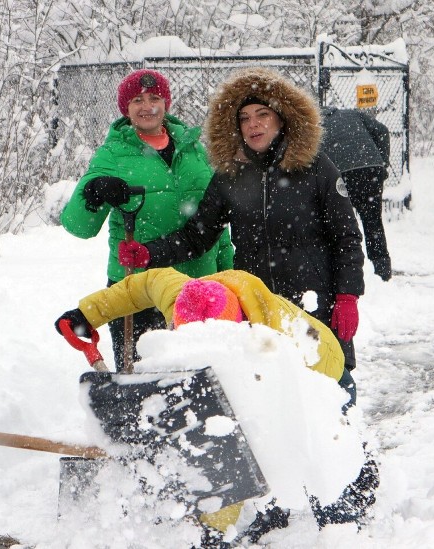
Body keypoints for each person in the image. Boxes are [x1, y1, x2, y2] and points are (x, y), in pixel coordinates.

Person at [54, 267, 378, 544]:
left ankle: (354, 497)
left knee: (325, 454)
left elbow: (235, 447)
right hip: (281, 358)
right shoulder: (182, 295)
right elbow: (142, 284)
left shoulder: (271, 344)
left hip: (322, 367)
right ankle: (276, 509)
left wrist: (213, 532)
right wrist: (88, 313)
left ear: (233, 330)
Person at [117, 66, 365, 372]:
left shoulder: (315, 167)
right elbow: (198, 236)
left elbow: (346, 236)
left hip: (314, 303)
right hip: (258, 306)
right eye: (244, 118)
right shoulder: (229, 176)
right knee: (268, 392)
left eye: (263, 115)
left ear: (281, 119)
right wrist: (149, 252)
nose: (254, 125)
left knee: (331, 387)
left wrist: (348, 295)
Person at [60, 68, 234, 371]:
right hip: (136, 288)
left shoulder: (194, 150)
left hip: (198, 284)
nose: (147, 106)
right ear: (126, 109)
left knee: (201, 379)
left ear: (166, 103)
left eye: (154, 97)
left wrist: (228, 273)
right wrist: (94, 192)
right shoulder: (113, 154)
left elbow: (216, 220)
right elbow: (78, 226)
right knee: (142, 381)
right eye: (137, 100)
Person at [320, 106, 393, 281]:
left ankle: (347, 271)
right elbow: (382, 130)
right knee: (373, 221)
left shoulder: (316, 126)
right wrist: (383, 161)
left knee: (342, 225)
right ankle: (382, 270)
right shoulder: (352, 114)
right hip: (371, 170)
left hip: (342, 174)